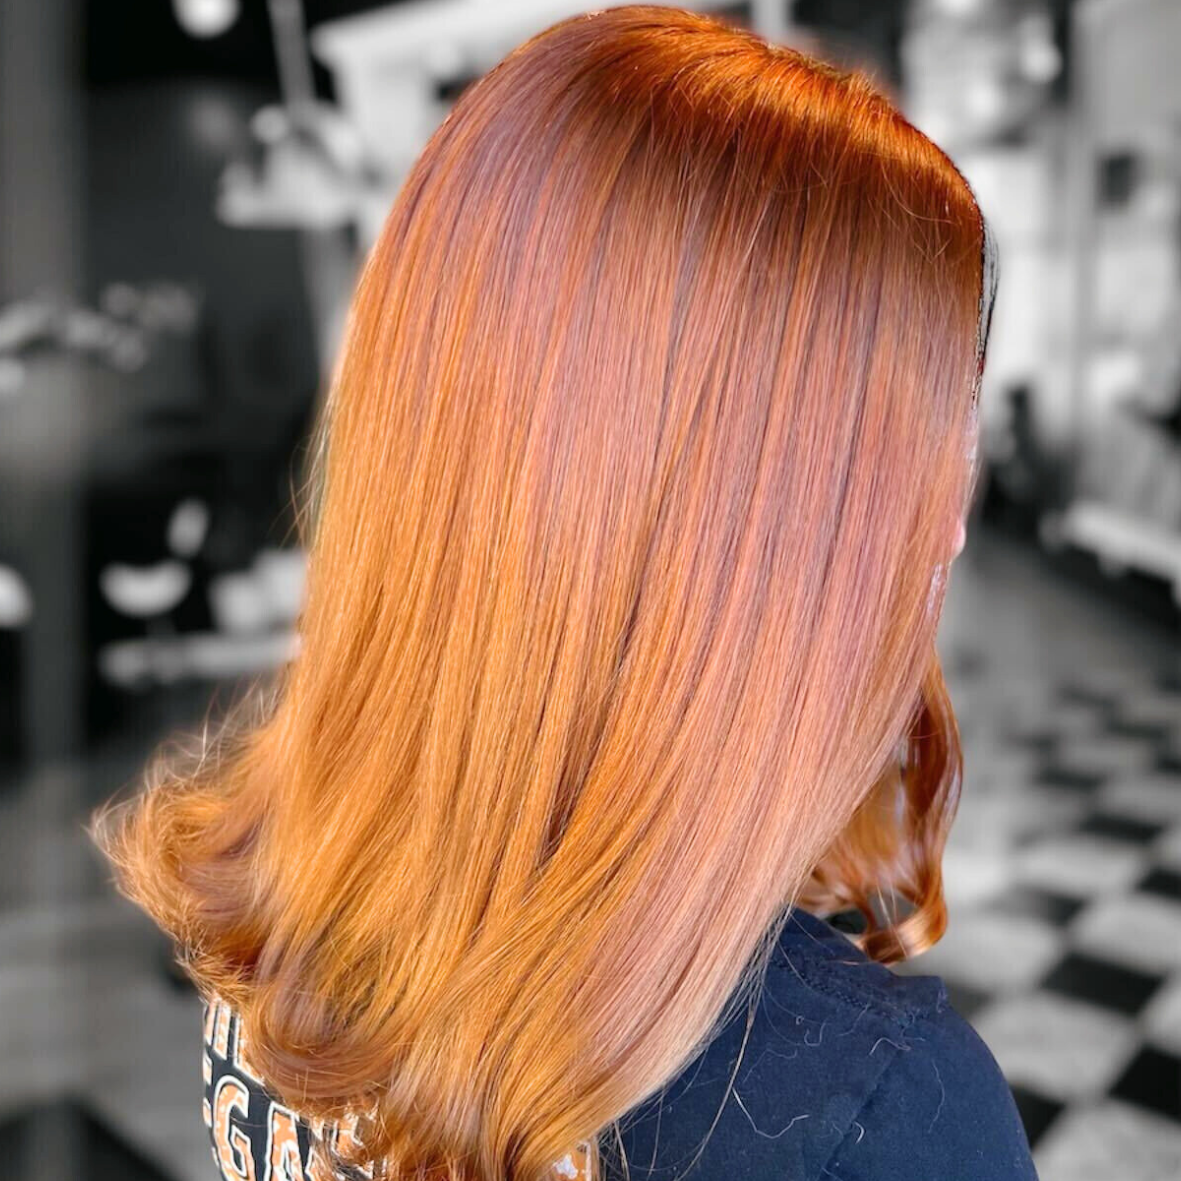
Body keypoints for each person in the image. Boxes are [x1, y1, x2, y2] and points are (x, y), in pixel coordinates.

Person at [91, 7, 1026, 1180]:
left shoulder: (278, 897)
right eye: (929, 441)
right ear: (777, 515)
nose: (946, 517)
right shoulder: (876, 1111)